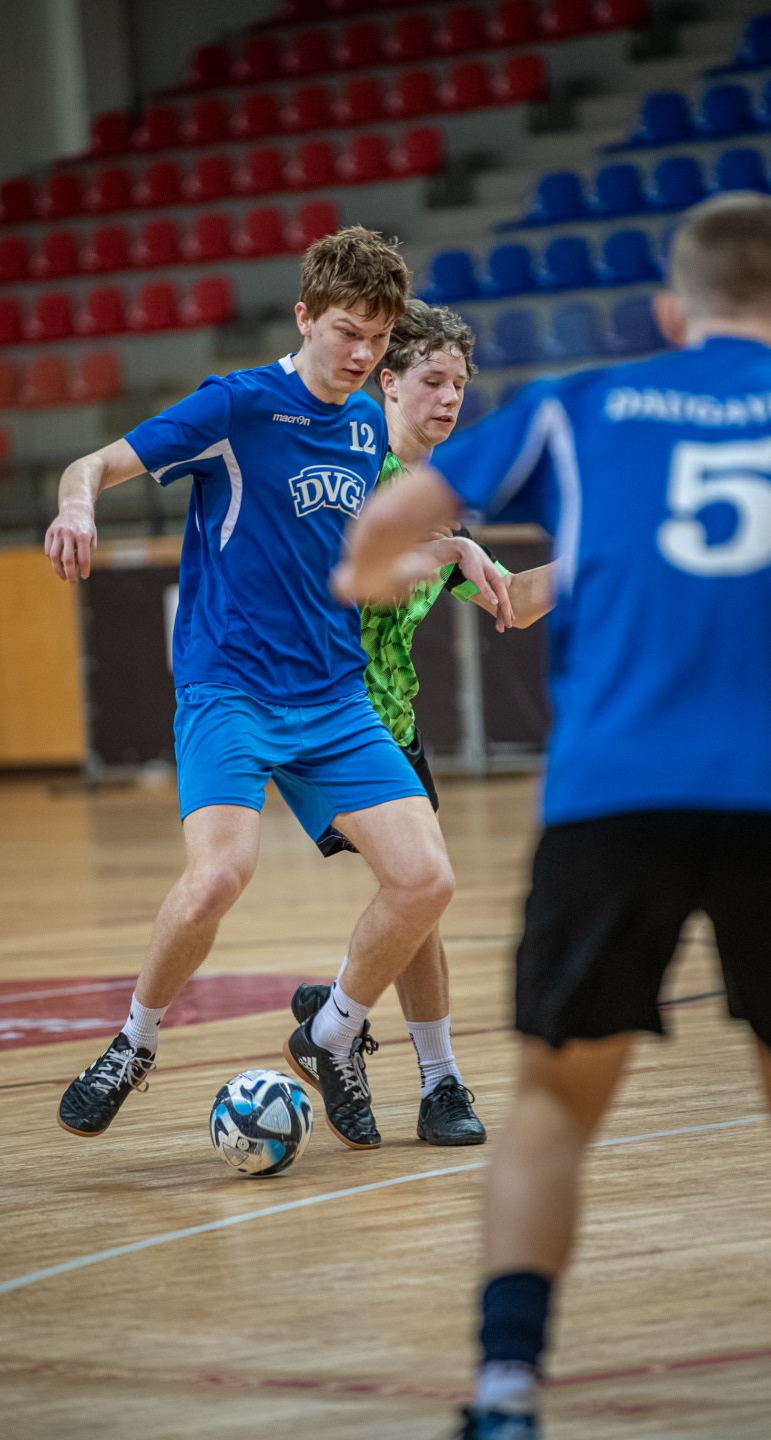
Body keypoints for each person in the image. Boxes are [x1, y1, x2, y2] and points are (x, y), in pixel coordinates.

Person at [334, 194, 771, 1438]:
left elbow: (384, 527)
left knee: (552, 1104)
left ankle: (505, 1390)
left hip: (616, 796)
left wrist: (372, 572)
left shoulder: (583, 405)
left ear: (668, 314)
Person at [44, 225, 511, 1153]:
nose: (362, 355)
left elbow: (361, 555)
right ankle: (135, 1042)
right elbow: (93, 464)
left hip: (334, 697)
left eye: (377, 339)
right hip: (230, 689)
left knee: (426, 880)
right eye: (346, 332)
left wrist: (452, 550)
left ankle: (331, 1032)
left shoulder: (369, 426)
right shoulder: (237, 405)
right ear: (305, 317)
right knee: (220, 875)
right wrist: (77, 505)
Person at [289, 299, 556, 1147]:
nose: (448, 399)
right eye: (432, 380)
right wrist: (438, 552)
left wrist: (605, 555)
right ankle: (344, 1036)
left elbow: (513, 602)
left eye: (460, 385)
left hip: (392, 720)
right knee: (419, 887)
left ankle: (388, 1052)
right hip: (324, 714)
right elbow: (351, 580)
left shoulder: (435, 501)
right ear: (389, 383)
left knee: (419, 899)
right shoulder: (350, 471)